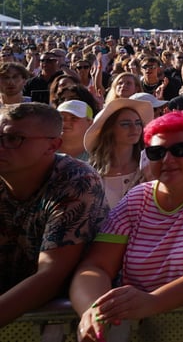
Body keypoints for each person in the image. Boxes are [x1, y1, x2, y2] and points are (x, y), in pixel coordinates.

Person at [70, 111, 183, 340]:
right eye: (156, 152)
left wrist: (154, 301)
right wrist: (93, 310)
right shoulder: (136, 199)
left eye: (180, 150)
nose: (167, 159)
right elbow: (96, 266)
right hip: (146, 332)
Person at [0, 103, 107, 328]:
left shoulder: (76, 180)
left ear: (52, 146)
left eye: (13, 138)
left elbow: (51, 277)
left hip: (64, 318)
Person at [83, 98, 154, 208]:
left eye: (138, 123)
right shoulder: (91, 172)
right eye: (125, 124)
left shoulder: (150, 165)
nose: (134, 128)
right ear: (109, 129)